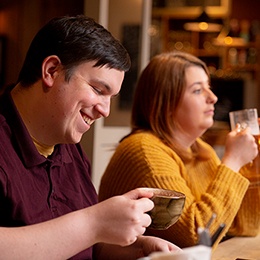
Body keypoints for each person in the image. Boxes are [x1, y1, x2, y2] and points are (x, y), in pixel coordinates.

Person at [0, 15, 181, 259]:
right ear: (51, 70)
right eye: (98, 90)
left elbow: (81, 245)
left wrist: (139, 249)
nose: (105, 110)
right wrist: (93, 223)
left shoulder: (69, 149)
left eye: (111, 98)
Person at [99, 51, 260, 249]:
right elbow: (195, 237)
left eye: (209, 88)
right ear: (166, 103)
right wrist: (233, 161)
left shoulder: (201, 151)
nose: (213, 98)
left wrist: (252, 166)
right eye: (198, 90)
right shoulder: (144, 151)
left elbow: (244, 226)